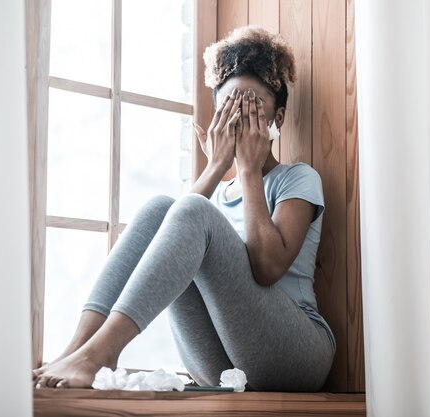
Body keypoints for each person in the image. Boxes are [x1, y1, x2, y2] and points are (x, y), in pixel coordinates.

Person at [32, 25, 335, 392]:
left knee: (191, 210)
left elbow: (267, 267)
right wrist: (213, 170)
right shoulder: (213, 200)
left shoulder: (297, 179)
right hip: (223, 362)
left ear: (278, 118)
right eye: (229, 109)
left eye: (251, 107)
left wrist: (249, 172)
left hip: (295, 355)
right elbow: (175, 227)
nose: (239, 119)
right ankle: (78, 351)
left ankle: (99, 355)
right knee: (162, 208)